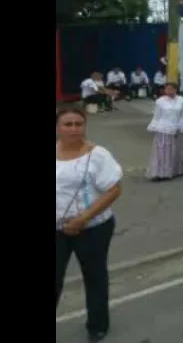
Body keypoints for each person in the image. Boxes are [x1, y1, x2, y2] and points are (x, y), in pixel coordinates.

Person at [56, 106, 123, 342]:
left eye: (78, 124)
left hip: (93, 227)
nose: (74, 129)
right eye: (68, 124)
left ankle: (97, 325)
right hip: (58, 229)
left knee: (94, 276)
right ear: (57, 127)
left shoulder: (98, 155)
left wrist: (83, 218)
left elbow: (113, 189)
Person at [145, 82, 183, 181]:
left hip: (175, 129)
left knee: (175, 150)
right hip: (163, 129)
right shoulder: (160, 101)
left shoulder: (182, 101)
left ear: (176, 90)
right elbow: (157, 116)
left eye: (171, 89)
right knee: (162, 152)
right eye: (167, 89)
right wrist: (154, 127)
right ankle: (159, 173)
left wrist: (181, 127)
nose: (169, 91)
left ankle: (176, 171)